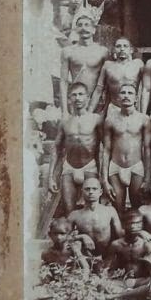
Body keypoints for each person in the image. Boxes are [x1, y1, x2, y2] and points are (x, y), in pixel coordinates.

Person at [46, 82, 104, 213]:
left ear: (87, 97)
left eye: (81, 94)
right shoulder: (65, 121)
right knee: (69, 210)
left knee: (91, 211)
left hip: (90, 166)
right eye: (74, 95)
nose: (77, 98)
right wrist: (50, 177)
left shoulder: (95, 119)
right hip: (69, 167)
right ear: (69, 98)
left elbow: (105, 147)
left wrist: (103, 176)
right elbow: (56, 148)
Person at [101, 83, 151, 212]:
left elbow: (147, 149)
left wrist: (147, 177)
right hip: (116, 166)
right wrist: (104, 179)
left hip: (136, 166)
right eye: (123, 93)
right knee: (117, 207)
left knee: (137, 207)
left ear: (136, 98)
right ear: (118, 98)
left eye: (130, 93)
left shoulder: (143, 119)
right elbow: (106, 149)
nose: (126, 96)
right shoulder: (110, 120)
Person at [103, 212, 151, 300]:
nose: (133, 227)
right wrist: (104, 278)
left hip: (142, 281)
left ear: (141, 226)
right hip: (123, 281)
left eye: (137, 224)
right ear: (123, 225)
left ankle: (117, 296)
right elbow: (106, 266)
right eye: (130, 224)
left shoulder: (145, 245)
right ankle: (134, 293)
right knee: (104, 285)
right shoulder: (116, 245)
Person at [58, 14, 109, 115]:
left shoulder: (102, 51)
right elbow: (63, 82)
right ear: (76, 29)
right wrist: (64, 111)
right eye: (80, 25)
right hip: (76, 99)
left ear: (93, 30)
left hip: (97, 100)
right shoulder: (68, 51)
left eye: (87, 25)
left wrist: (105, 107)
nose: (83, 28)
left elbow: (107, 82)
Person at [67, 177, 123, 256]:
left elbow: (121, 235)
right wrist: (81, 237)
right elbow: (64, 238)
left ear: (100, 192)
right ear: (82, 192)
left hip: (106, 255)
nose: (91, 192)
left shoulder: (110, 211)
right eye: (87, 189)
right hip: (84, 256)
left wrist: (141, 233)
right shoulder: (74, 215)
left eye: (94, 189)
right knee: (75, 245)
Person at [91, 37, 144, 115]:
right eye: (118, 46)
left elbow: (146, 89)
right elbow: (99, 89)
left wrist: (142, 112)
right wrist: (89, 111)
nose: (122, 49)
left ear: (131, 50)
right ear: (114, 50)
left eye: (125, 46)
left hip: (133, 108)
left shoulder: (138, 64)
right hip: (114, 108)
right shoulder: (108, 65)